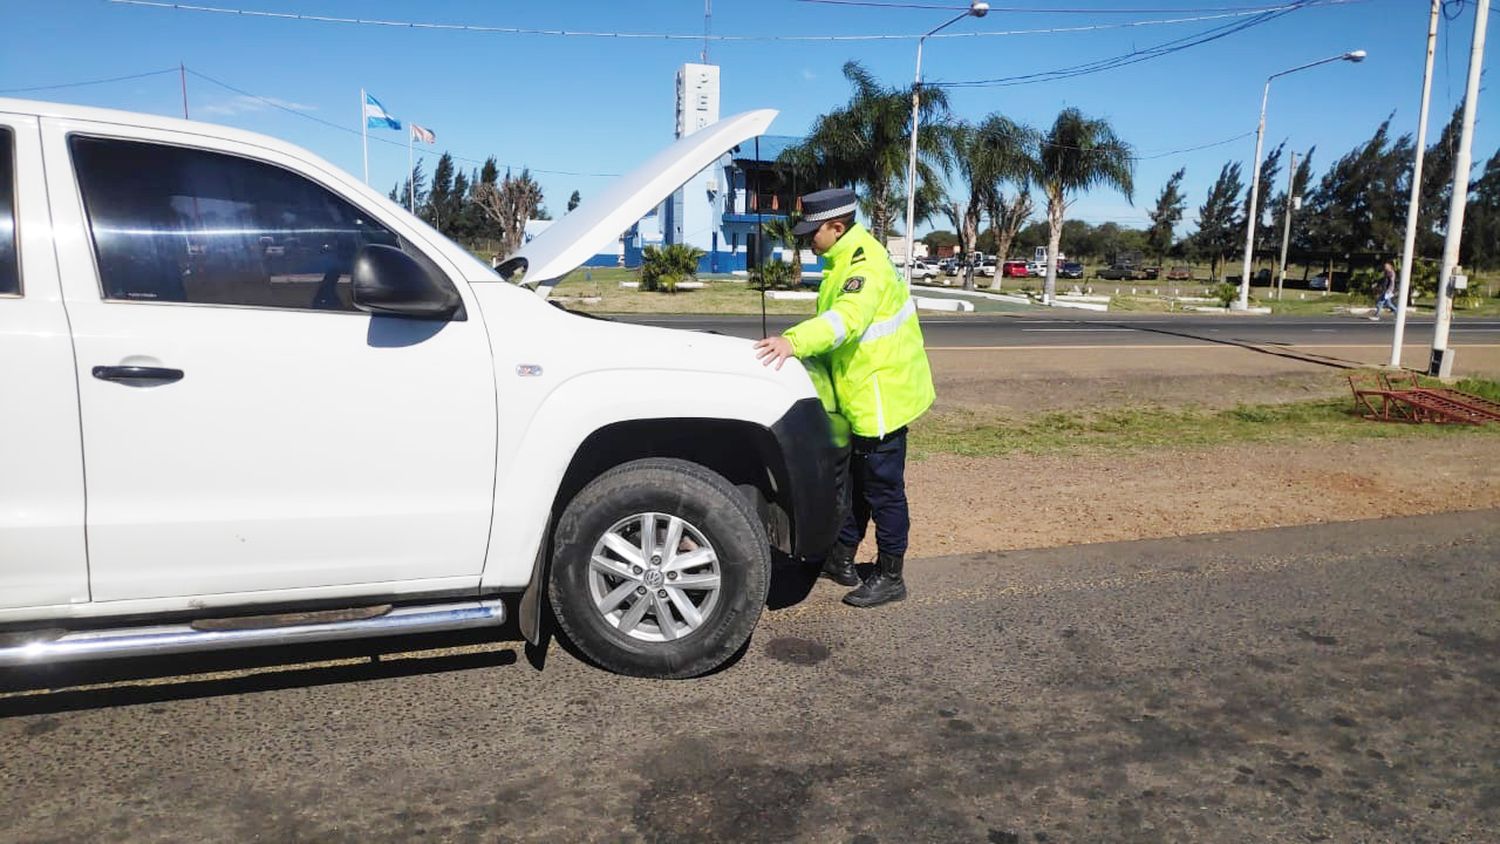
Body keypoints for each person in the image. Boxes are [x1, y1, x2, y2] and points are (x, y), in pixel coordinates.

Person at [753, 188, 936, 608]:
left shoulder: (863, 264)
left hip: (881, 396)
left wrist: (792, 342)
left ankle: (891, 576)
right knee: (855, 486)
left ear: (836, 227)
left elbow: (845, 322)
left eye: (811, 233)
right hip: (860, 392)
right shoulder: (842, 258)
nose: (807, 241)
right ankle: (842, 559)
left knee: (883, 490)